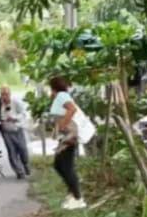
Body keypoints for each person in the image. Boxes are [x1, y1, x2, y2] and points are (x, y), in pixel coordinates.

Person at [49, 77, 88, 210]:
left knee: (65, 166)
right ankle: (73, 193)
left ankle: (78, 198)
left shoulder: (61, 95)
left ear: (53, 86)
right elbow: (62, 114)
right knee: (59, 164)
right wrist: (57, 130)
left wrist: (62, 125)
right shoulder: (60, 96)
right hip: (66, 135)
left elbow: (72, 110)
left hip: (69, 135)